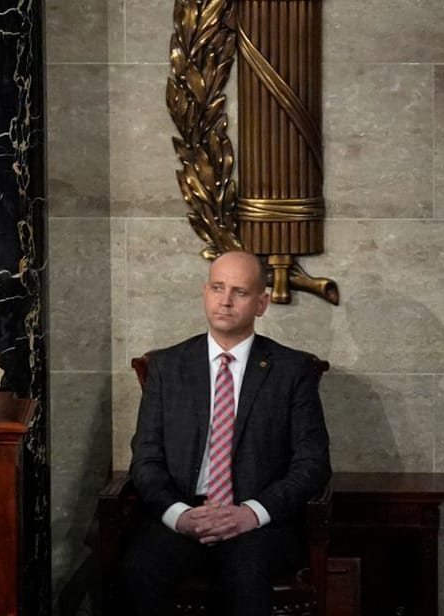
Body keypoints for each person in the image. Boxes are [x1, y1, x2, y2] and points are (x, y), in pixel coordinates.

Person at [122, 249, 332, 616]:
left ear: (262, 303)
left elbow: (312, 465)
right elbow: (146, 461)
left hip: (258, 524)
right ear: (205, 292)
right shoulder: (168, 367)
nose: (225, 300)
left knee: (246, 574)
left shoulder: (291, 370)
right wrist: (180, 515)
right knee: (138, 572)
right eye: (217, 288)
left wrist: (251, 513)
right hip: (183, 513)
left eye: (240, 291)